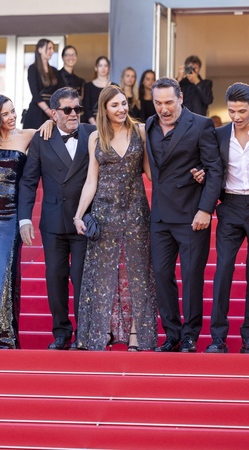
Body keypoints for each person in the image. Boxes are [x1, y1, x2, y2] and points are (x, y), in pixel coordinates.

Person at [72, 86, 158, 351]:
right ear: (104, 109)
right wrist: (79, 215)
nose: (122, 109)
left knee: (138, 272)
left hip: (135, 211)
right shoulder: (95, 138)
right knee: (102, 274)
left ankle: (136, 333)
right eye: (115, 105)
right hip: (104, 212)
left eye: (123, 103)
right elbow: (91, 180)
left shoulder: (140, 132)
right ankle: (103, 331)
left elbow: (150, 173)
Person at [145, 77, 223, 352]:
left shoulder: (201, 125)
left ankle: (190, 335)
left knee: (191, 277)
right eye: (158, 103)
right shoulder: (149, 124)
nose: (163, 108)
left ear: (180, 98)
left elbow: (214, 170)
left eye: (168, 102)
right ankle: (172, 333)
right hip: (160, 216)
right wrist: (49, 122)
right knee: (161, 275)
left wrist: (205, 209)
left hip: (192, 215)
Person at [200, 83, 249, 354]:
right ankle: (218, 338)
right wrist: (200, 173)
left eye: (242, 111)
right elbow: (211, 167)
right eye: (232, 111)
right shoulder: (219, 134)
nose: (236, 116)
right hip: (230, 205)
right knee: (223, 270)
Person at [0, 95, 49, 349]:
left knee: (7, 274)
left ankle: (6, 336)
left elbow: (51, 127)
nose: (12, 117)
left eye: (13, 111)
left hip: (12, 214)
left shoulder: (27, 135)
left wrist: (49, 121)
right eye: (5, 114)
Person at [18, 87, 95, 350]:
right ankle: (61, 333)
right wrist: (24, 219)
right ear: (54, 114)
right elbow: (29, 182)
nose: (74, 114)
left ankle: (84, 333)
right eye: (67, 109)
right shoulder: (42, 138)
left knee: (82, 278)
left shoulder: (92, 134)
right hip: (53, 221)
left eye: (77, 109)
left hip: (84, 220)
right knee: (55, 278)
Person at [22, 39, 61, 129]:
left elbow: (59, 92)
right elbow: (35, 93)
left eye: (53, 48)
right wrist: (48, 111)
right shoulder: (33, 68)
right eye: (49, 48)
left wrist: (54, 111)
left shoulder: (54, 71)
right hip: (37, 111)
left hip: (52, 109)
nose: (52, 51)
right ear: (40, 50)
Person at [83, 56, 112, 125]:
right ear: (96, 68)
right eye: (100, 65)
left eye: (105, 66)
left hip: (110, 123)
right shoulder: (88, 86)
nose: (103, 68)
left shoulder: (114, 86)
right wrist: (94, 124)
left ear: (109, 68)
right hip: (92, 123)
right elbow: (86, 108)